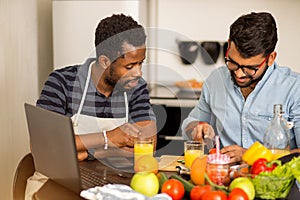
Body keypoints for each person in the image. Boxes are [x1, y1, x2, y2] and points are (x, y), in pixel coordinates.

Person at [182, 12, 300, 164]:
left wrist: (251, 156)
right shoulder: (215, 81)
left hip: (277, 184)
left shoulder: (294, 89)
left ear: (270, 58)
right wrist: (197, 128)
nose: (239, 73)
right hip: (224, 181)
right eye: (232, 62)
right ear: (229, 45)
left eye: (250, 68)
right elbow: (191, 122)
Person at [36, 13, 156, 161]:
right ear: (105, 61)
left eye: (140, 63)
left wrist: (91, 153)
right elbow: (43, 143)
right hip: (64, 177)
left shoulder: (137, 87)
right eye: (130, 66)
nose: (138, 73)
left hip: (115, 179)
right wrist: (108, 138)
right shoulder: (62, 82)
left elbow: (147, 144)